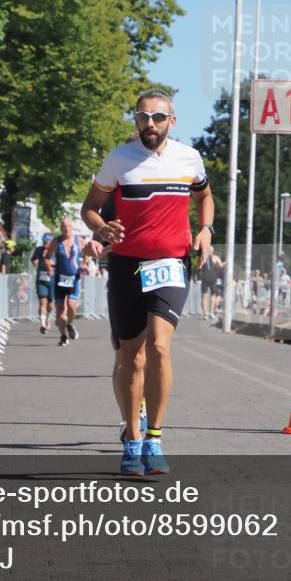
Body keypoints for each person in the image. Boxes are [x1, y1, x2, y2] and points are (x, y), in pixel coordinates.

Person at [81, 88, 214, 476]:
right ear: (136, 121)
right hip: (126, 266)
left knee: (158, 346)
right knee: (129, 355)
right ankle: (133, 437)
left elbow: (205, 196)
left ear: (172, 121)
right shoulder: (119, 160)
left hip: (170, 263)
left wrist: (205, 230)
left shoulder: (189, 158)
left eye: (157, 117)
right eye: (142, 117)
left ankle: (154, 438)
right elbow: (89, 208)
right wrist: (103, 227)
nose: (149, 124)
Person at [46, 218, 83, 346]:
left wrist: (86, 263)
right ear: (60, 228)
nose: (66, 229)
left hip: (74, 279)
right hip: (59, 280)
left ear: (72, 227)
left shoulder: (79, 241)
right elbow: (47, 256)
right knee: (60, 312)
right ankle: (63, 336)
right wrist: (49, 266)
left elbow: (88, 253)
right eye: (63, 226)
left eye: (68, 226)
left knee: (72, 306)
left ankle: (70, 324)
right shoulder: (56, 242)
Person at [31, 233, 54, 334]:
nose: (45, 244)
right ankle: (43, 324)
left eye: (47, 242)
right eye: (44, 242)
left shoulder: (56, 251)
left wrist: (52, 264)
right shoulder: (39, 249)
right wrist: (35, 262)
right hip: (41, 279)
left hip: (53, 280)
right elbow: (33, 258)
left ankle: (48, 318)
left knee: (51, 305)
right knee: (42, 302)